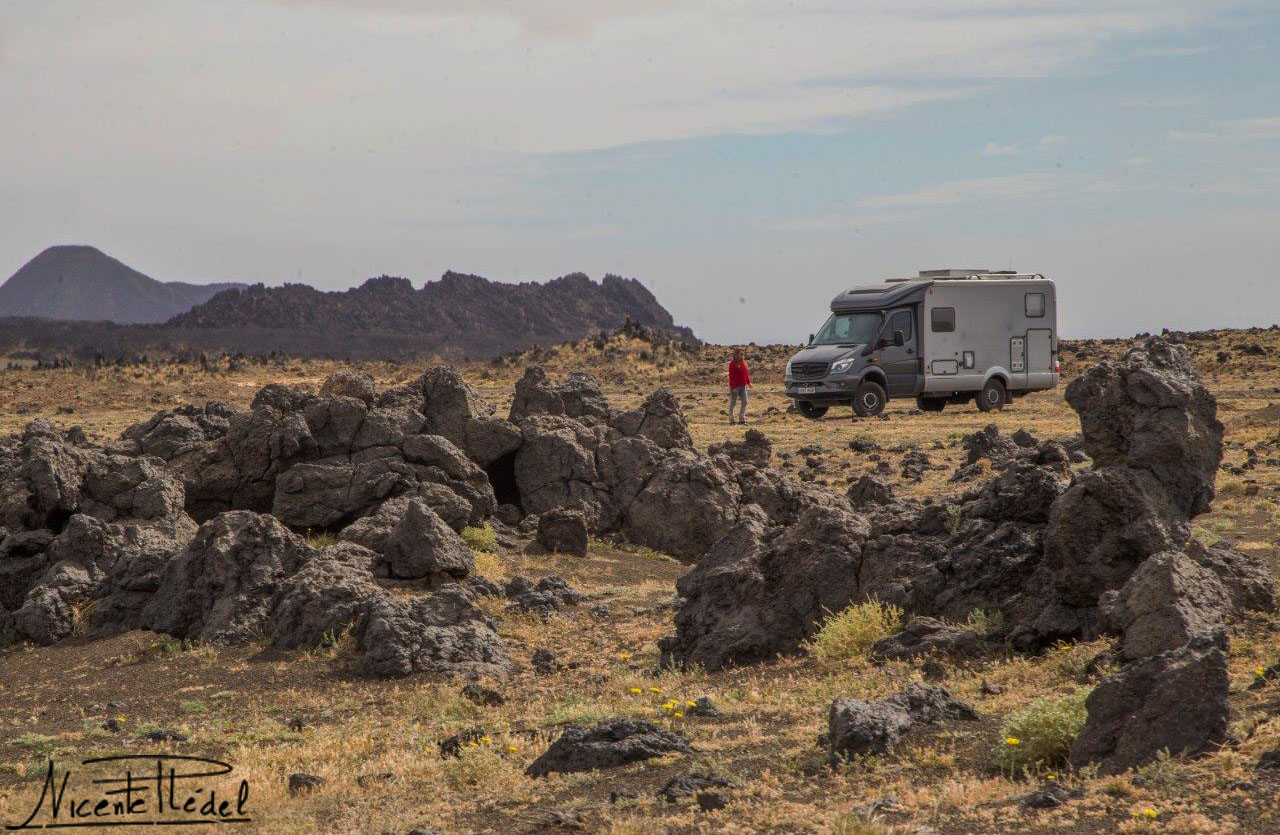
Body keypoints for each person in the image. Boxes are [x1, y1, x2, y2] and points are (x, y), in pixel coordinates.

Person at [727, 348, 752, 424]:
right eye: (741, 354)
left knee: (745, 401)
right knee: (733, 402)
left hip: (743, 386)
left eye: (743, 354)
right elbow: (731, 376)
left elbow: (746, 374)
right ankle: (731, 418)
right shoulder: (732, 364)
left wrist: (749, 382)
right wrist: (733, 386)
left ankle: (741, 418)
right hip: (735, 386)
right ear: (736, 354)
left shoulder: (743, 363)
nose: (742, 355)